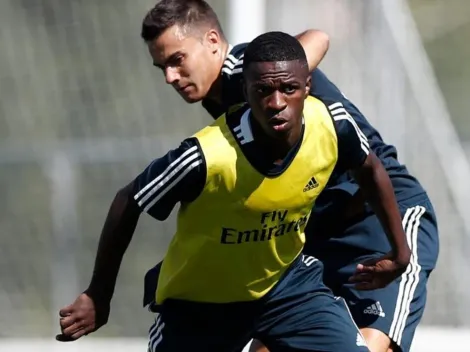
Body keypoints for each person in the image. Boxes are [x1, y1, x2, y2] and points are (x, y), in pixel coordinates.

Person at [56, 31, 413, 352]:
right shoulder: (205, 156)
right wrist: (98, 294)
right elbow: (129, 200)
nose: (275, 102)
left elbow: (371, 167)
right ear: (245, 90)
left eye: (288, 89)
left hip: (286, 289)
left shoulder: (332, 125)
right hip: (200, 306)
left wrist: (400, 254)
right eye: (262, 90)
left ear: (307, 86)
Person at [139, 1, 439, 352]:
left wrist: (282, 81)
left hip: (379, 220)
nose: (170, 77)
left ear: (212, 42)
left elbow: (318, 38)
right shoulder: (226, 116)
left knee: (374, 347)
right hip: (315, 234)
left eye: (177, 60)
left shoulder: (249, 71)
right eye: (162, 67)